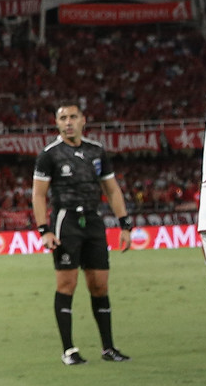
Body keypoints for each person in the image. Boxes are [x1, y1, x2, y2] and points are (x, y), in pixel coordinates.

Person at [31, 104, 132, 365]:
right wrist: (44, 230)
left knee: (99, 285)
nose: (68, 122)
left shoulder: (96, 151)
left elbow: (112, 190)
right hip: (66, 222)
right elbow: (39, 195)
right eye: (63, 118)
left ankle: (108, 348)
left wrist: (125, 225)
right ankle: (69, 350)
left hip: (94, 222)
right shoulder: (49, 155)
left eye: (73, 117)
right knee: (67, 285)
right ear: (57, 123)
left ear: (83, 120)